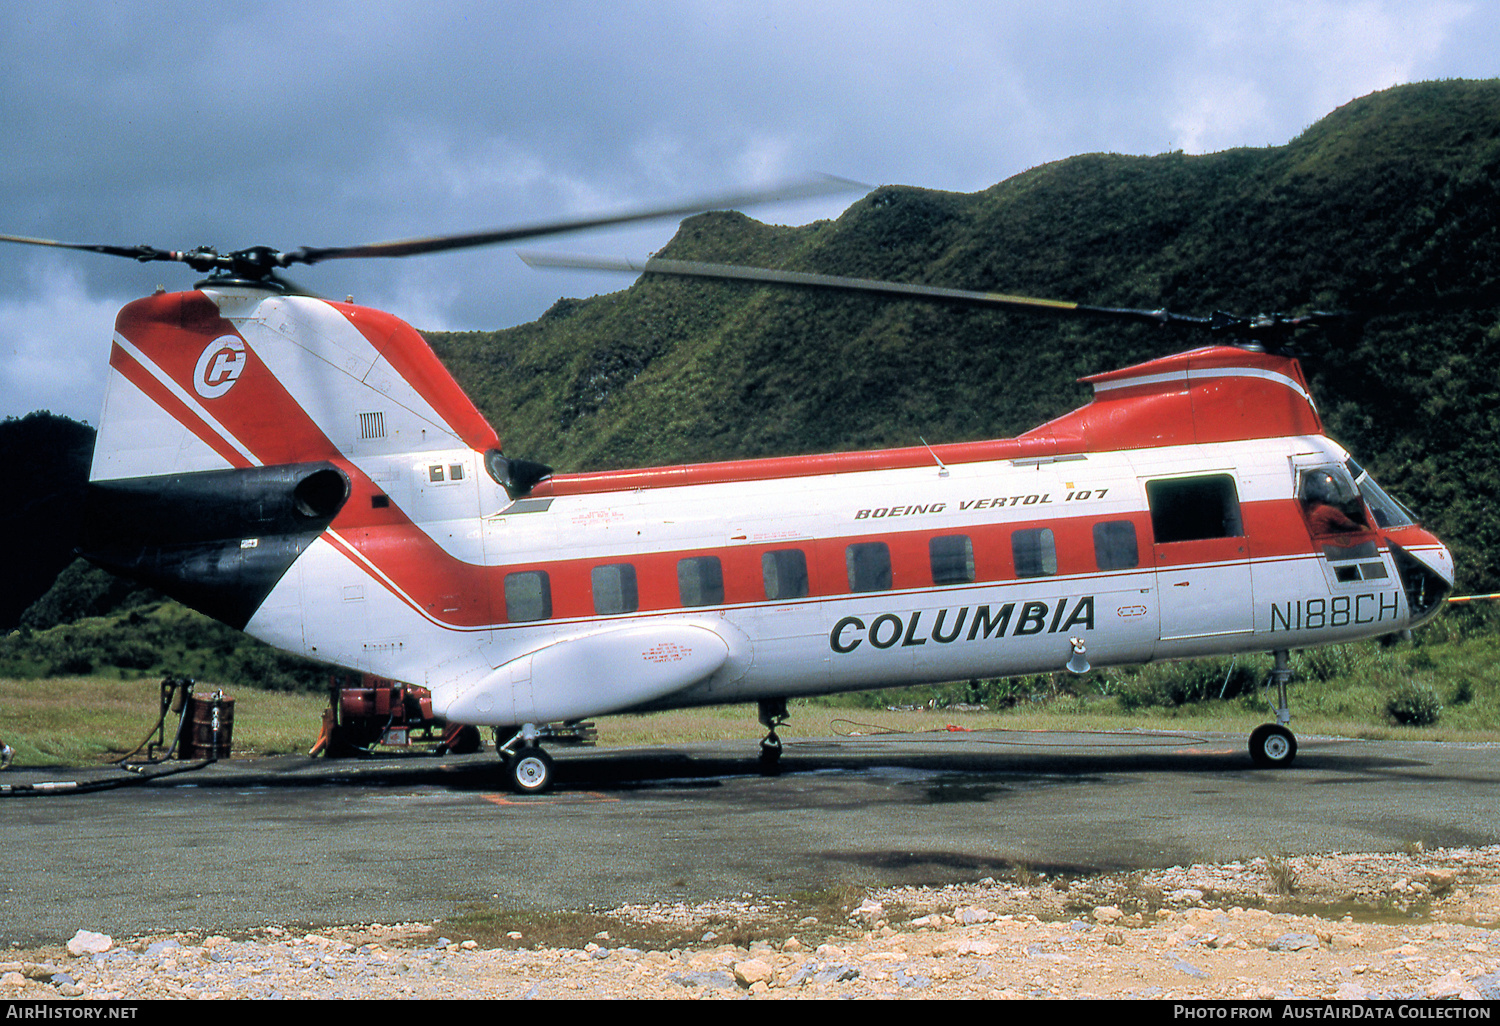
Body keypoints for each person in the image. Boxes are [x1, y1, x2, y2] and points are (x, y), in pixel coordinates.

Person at [1303, 471, 1365, 535]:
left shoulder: (1309, 510)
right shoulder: (1325, 510)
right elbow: (1348, 524)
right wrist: (1360, 527)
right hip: (1326, 542)